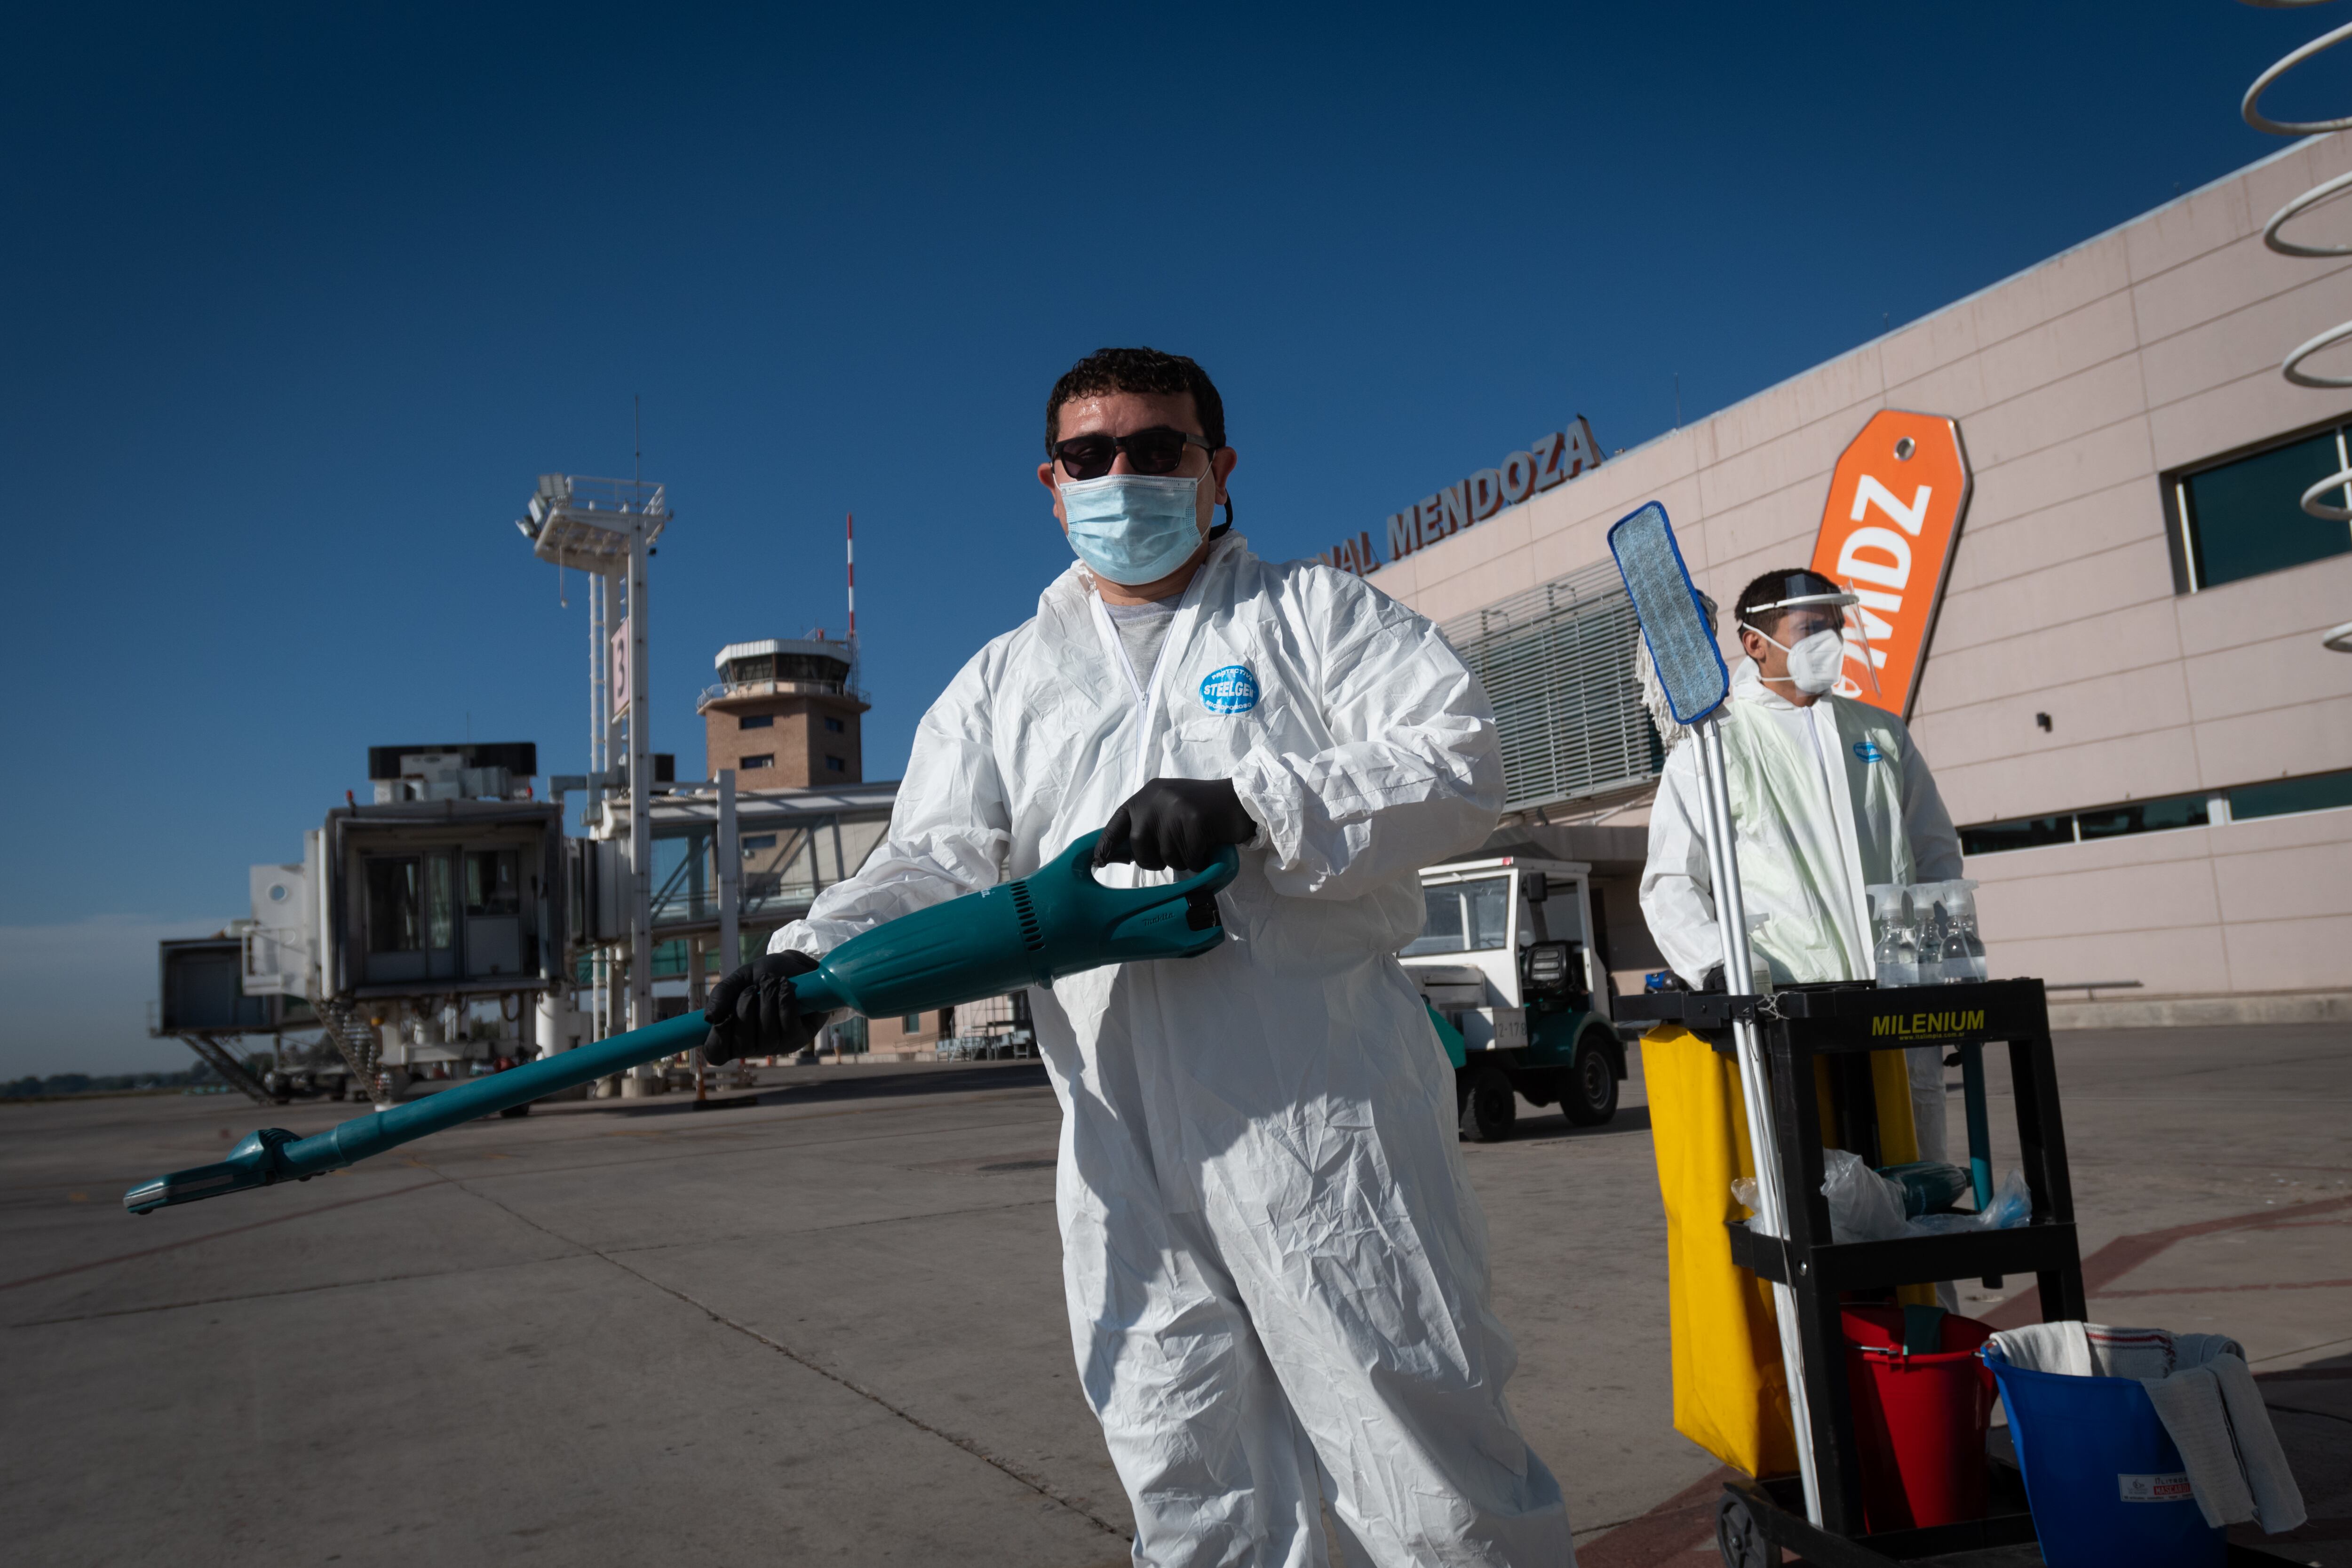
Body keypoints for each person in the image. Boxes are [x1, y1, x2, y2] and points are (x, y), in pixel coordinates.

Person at [704, 348, 1571, 1567]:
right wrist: (810, 956)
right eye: (1091, 454)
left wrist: (1252, 798)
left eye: (1157, 448)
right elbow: (936, 859)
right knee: (1191, 1479)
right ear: (1051, 485)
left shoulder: (1319, 620)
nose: (1123, 473)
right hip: (1117, 1150)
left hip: (1324, 1132)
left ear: (1217, 469)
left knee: (1422, 1463)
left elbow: (1459, 762)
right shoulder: (1007, 681)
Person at [1638, 568, 1963, 1164]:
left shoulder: (1881, 734)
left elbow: (1932, 854)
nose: (1829, 641)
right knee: (1816, 1196)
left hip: (1894, 1004)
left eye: (1835, 627)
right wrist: (1714, 963)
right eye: (1811, 628)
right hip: (1785, 1009)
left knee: (1911, 1180)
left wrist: (1945, 970)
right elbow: (1671, 881)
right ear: (1755, 643)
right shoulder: (1712, 746)